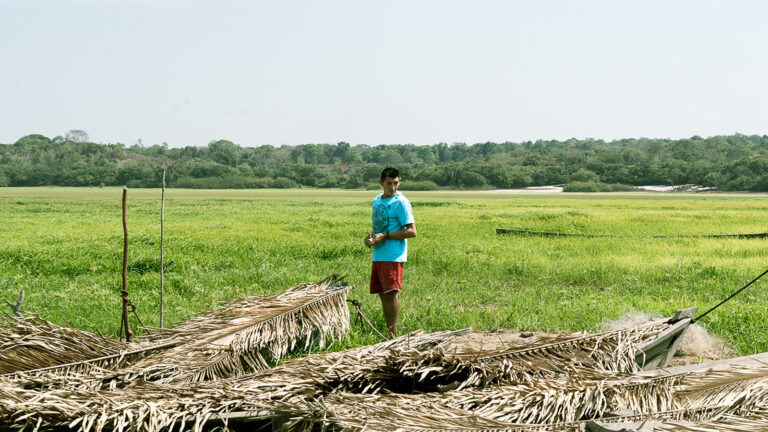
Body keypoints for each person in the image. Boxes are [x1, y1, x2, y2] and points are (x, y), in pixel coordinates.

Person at [364, 167, 416, 338]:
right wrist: (370, 239)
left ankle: (393, 336)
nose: (393, 187)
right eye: (389, 183)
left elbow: (411, 231)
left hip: (393, 255)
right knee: (382, 295)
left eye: (396, 183)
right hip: (379, 254)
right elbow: (378, 227)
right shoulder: (377, 201)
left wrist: (386, 235)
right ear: (381, 183)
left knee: (391, 294)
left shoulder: (401, 202)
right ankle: (387, 334)